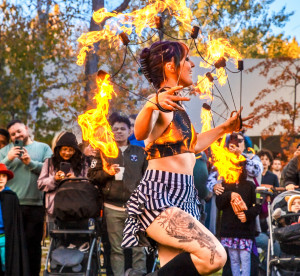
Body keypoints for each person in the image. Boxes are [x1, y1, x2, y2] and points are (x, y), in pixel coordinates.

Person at [120, 41, 253, 276]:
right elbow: (140, 133)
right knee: (215, 256)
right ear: (171, 66)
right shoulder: (160, 102)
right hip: (160, 195)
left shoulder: (176, 106)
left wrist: (225, 128)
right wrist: (152, 104)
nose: (192, 65)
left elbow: (193, 145)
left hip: (183, 194)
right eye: (187, 60)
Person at [88, 115, 148, 276]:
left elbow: (148, 178)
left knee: (139, 248)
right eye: (115, 129)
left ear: (130, 131)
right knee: (116, 249)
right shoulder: (103, 152)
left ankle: (139, 274)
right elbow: (92, 175)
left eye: (123, 129)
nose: (119, 132)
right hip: (112, 208)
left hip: (136, 208)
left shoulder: (141, 152)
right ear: (111, 132)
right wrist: (106, 173)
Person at [0, 119, 52, 276]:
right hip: (10, 205)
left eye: (19, 131)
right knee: (12, 245)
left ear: (27, 129)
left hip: (35, 205)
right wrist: (8, 159)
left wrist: (30, 163)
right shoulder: (5, 151)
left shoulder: (42, 148)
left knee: (33, 246)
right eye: (13, 134)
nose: (17, 135)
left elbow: (51, 171)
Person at [216, 163, 261, 276]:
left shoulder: (250, 185)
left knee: (245, 259)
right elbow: (219, 204)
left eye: (238, 169)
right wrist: (229, 194)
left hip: (245, 231)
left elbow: (258, 205)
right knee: (234, 259)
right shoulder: (224, 185)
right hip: (229, 231)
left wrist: (247, 215)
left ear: (242, 170)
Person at [38, 132, 89, 231]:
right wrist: (55, 179)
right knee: (55, 237)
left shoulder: (82, 164)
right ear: (59, 149)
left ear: (75, 150)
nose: (67, 152)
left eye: (71, 150)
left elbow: (89, 184)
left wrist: (76, 180)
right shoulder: (49, 163)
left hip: (76, 207)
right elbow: (40, 184)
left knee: (76, 237)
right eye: (64, 149)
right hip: (54, 209)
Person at [0, 163, 29, 276]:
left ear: (7, 178)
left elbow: (15, 223)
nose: (0, 179)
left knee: (6, 265)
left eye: (3, 176)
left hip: (6, 238)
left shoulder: (11, 197)